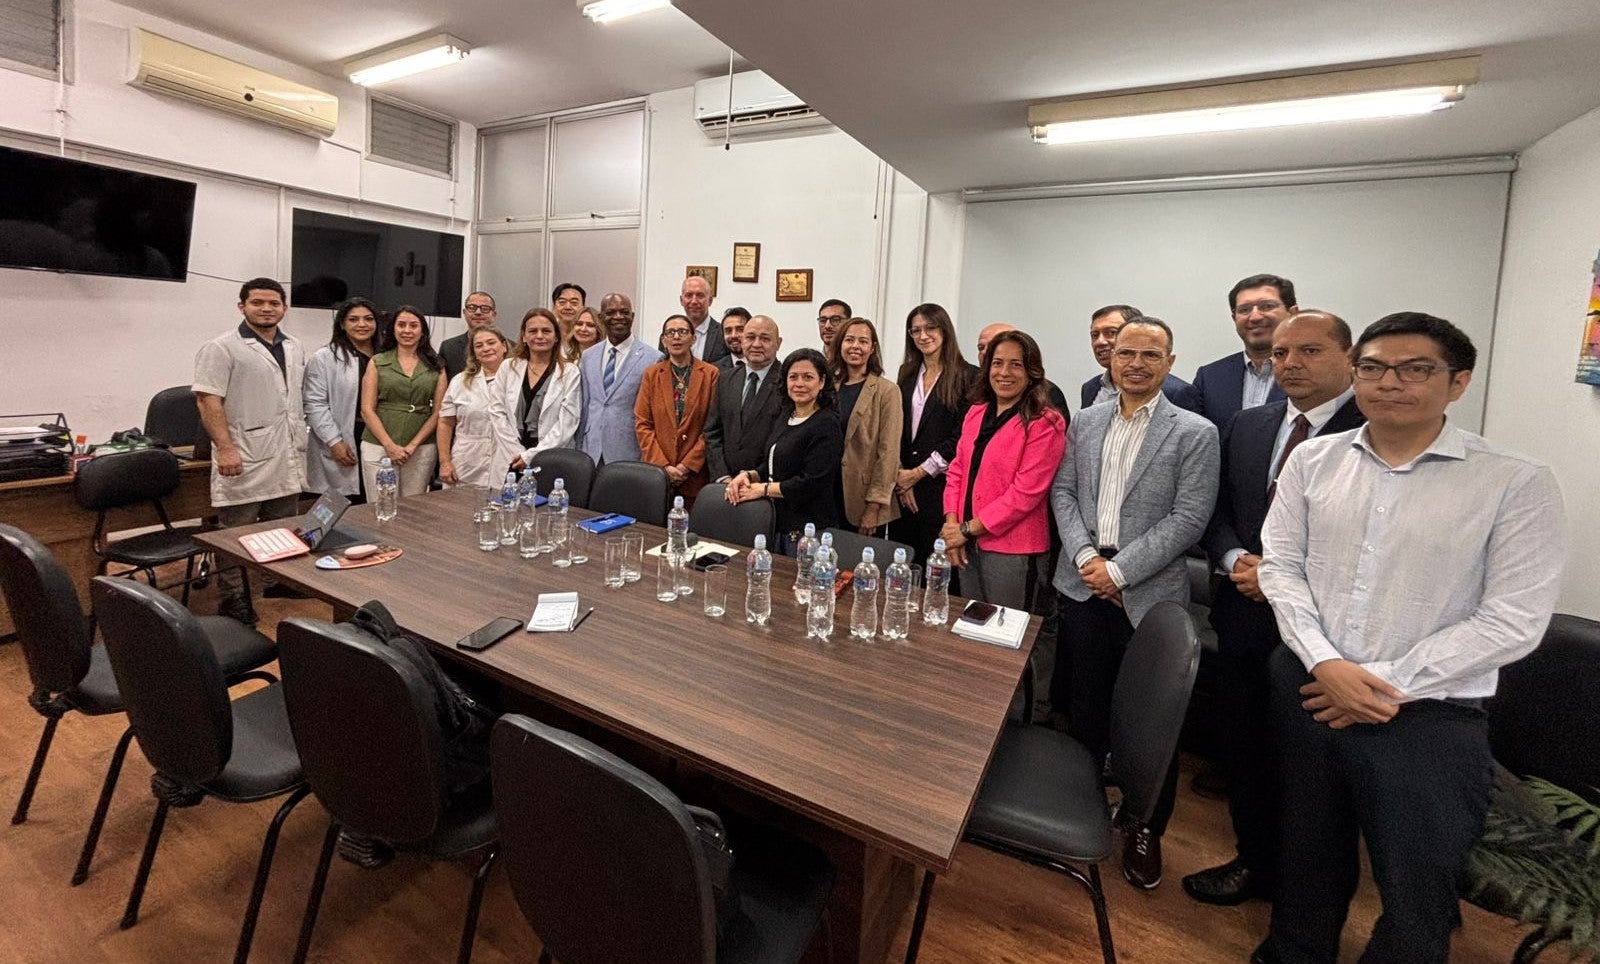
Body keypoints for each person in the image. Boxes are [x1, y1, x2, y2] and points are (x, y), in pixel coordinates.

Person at [1252, 312, 1565, 964]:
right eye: (1374, 367)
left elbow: (1513, 617)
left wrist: (1385, 683)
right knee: (1307, 850)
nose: (1389, 382)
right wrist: (1327, 662)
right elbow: (1281, 568)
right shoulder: (1314, 460)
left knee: (1416, 883)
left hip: (1429, 716)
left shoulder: (1513, 481)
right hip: (1312, 688)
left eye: (1414, 368)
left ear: (1458, 382)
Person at [1183, 310, 1365, 909]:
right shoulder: (1250, 424)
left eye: (1309, 352)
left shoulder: (1375, 428)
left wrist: (1281, 576)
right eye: (1282, 354)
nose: (1290, 364)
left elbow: (1373, 542)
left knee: (1312, 769)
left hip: (1331, 635)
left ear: (1348, 355)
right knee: (1246, 746)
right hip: (1243, 613)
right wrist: (1235, 555)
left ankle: (1308, 891)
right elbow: (1217, 509)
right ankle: (1254, 861)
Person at [1049, 314, 1219, 890]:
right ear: (1110, 358)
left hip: (1147, 593)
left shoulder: (1195, 432)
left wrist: (1119, 570)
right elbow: (1064, 493)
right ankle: (1081, 809)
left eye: (1150, 355)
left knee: (1151, 723)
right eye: (1126, 354)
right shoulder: (1086, 421)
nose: (1136, 364)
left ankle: (1145, 824)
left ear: (1170, 362)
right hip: (1082, 580)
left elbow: (1190, 518)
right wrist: (1084, 560)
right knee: (1087, 707)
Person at [193, 277, 308, 624]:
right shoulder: (221, 347)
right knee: (237, 533)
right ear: (241, 306)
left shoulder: (294, 346)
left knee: (283, 523)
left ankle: (277, 581)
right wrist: (225, 448)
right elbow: (207, 399)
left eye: (273, 303)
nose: (266, 308)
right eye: (257, 302)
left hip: (285, 451)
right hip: (243, 453)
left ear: (284, 308)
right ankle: (234, 598)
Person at [940, 330, 1067, 609]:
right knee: (973, 626)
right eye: (997, 363)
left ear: (1032, 371)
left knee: (1009, 634)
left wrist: (966, 529)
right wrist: (952, 525)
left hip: (1013, 550)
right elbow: (957, 470)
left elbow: (1025, 493)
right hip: (965, 543)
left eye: (1016, 364)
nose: (1004, 372)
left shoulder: (1045, 422)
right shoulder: (976, 411)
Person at [888, 303, 979, 573]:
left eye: (930, 328)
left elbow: (962, 436)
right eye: (915, 330)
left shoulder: (969, 376)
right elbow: (897, 428)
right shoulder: (906, 373)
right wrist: (904, 478)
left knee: (937, 571)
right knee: (904, 567)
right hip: (903, 488)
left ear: (945, 330)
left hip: (941, 488)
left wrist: (918, 473)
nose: (923, 335)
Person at [726, 348, 844, 551]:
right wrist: (748, 475)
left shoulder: (827, 424)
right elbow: (772, 463)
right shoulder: (785, 415)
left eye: (808, 377)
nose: (799, 384)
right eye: (793, 377)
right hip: (776, 523)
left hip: (808, 531)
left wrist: (762, 490)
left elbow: (811, 482)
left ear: (822, 382)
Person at [359, 305, 446, 496]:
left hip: (420, 448)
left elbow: (439, 412)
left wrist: (412, 446)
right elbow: (366, 409)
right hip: (378, 445)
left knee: (413, 508)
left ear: (422, 331)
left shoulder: (436, 365)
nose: (407, 330)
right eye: (401, 325)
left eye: (413, 325)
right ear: (393, 329)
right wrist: (389, 446)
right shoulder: (378, 361)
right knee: (380, 504)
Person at [635, 315, 721, 503]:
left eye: (682, 331)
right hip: (657, 474)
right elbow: (643, 424)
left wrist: (686, 466)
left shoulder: (710, 374)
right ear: (663, 340)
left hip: (695, 476)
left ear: (693, 338)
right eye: (670, 332)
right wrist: (664, 466)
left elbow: (713, 427)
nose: (676, 337)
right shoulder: (652, 374)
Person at [827, 318, 902, 534]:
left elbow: (888, 452)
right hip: (828, 492)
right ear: (840, 344)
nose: (855, 347)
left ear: (872, 348)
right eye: (849, 340)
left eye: (863, 341)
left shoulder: (887, 391)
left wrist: (874, 505)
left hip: (862, 498)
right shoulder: (830, 387)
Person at [304, 297, 381, 501]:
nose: (362, 324)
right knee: (344, 506)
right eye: (353, 319)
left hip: (379, 435)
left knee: (378, 500)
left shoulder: (386, 357)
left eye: (368, 319)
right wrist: (334, 441)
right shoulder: (324, 357)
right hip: (345, 435)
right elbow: (314, 404)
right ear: (342, 324)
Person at [1193, 275, 1295, 427]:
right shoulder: (1209, 378)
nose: (1254, 317)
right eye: (1244, 310)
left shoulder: (1314, 372)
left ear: (1293, 312)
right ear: (1234, 317)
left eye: (1267, 306)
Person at [579, 293, 661, 465]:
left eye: (624, 312)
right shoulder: (588, 356)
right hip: (590, 449)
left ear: (632, 317)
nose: (618, 317)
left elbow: (654, 415)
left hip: (630, 450)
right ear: (601, 318)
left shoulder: (653, 358)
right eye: (611, 313)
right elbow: (586, 405)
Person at [704, 315, 785, 482]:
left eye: (765, 338)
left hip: (767, 485)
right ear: (742, 341)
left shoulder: (787, 382)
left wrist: (755, 476)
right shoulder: (725, 379)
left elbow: (787, 441)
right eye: (750, 337)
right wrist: (722, 476)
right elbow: (713, 432)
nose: (756, 344)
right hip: (725, 484)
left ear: (778, 343)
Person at [1078, 305, 1201, 412]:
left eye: (1111, 332)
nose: (1100, 341)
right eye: (1094, 335)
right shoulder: (1091, 388)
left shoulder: (1177, 392)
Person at [504, 309, 583, 469]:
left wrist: (531, 455)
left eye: (546, 331)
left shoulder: (569, 371)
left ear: (556, 337)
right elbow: (497, 413)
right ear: (524, 336)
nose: (539, 336)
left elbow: (568, 422)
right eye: (532, 331)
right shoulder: (508, 367)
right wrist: (517, 451)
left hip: (551, 456)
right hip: (511, 456)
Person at [437, 327, 515, 487]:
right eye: (479, 345)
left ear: (504, 346)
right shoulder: (460, 381)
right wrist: (445, 462)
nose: (486, 348)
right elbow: (445, 422)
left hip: (506, 461)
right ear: (474, 353)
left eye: (491, 342)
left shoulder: (518, 380)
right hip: (466, 462)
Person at [977, 322, 1071, 418]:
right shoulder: (976, 407)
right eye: (981, 347)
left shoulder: (1048, 400)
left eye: (1015, 364)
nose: (985, 352)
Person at [439, 291, 498, 381]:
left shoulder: (511, 348)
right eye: (472, 308)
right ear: (464, 312)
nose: (478, 312)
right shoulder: (448, 348)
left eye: (485, 308)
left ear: (493, 315)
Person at [677, 275, 729, 364]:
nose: (694, 301)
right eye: (689, 295)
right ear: (681, 300)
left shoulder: (723, 334)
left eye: (700, 295)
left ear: (710, 300)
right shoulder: (670, 335)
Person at [716, 307, 750, 374]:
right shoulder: (715, 370)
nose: (733, 335)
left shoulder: (763, 365)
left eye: (740, 330)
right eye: (728, 331)